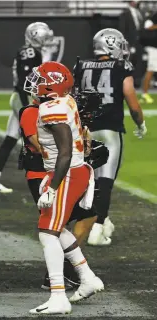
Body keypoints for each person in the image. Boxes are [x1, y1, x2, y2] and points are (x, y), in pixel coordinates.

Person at [24, 61, 104, 315]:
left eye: (40, 79)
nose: (35, 83)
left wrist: (52, 188)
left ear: (52, 84)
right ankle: (87, 277)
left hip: (67, 173)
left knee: (47, 232)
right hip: (70, 172)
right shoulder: (63, 101)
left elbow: (65, 153)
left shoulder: (50, 108)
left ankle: (58, 295)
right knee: (56, 230)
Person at [74, 28, 147, 246]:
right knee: (105, 182)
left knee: (89, 181)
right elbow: (132, 102)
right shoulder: (121, 66)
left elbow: (72, 96)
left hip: (84, 129)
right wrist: (140, 123)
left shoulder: (80, 65)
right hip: (109, 129)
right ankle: (97, 229)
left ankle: (96, 221)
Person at [0, 22, 53, 193]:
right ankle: (46, 180)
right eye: (44, 36)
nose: (46, 39)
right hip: (24, 98)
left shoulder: (31, 52)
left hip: (21, 98)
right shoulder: (29, 52)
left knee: (10, 138)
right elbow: (26, 82)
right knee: (37, 139)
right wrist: (28, 107)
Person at [118, 1, 144, 88]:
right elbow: (122, 30)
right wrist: (127, 44)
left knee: (139, 63)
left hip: (139, 43)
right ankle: (125, 82)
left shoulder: (139, 13)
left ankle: (137, 82)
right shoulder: (125, 14)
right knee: (128, 63)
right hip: (129, 43)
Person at [141, 10, 157, 103]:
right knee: (150, 70)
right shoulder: (154, 16)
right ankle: (144, 94)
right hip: (153, 48)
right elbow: (147, 26)